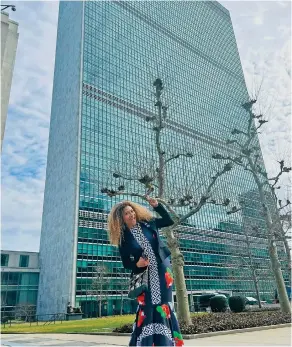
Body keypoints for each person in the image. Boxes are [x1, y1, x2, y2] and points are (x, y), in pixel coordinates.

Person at [108, 196, 184, 347]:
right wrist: (137, 263)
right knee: (148, 306)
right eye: (127, 214)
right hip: (144, 275)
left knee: (164, 304)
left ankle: (167, 343)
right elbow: (126, 263)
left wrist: (157, 206)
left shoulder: (149, 224)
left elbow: (169, 221)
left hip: (163, 271)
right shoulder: (124, 239)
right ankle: (146, 343)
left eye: (132, 211)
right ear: (121, 219)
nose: (132, 215)